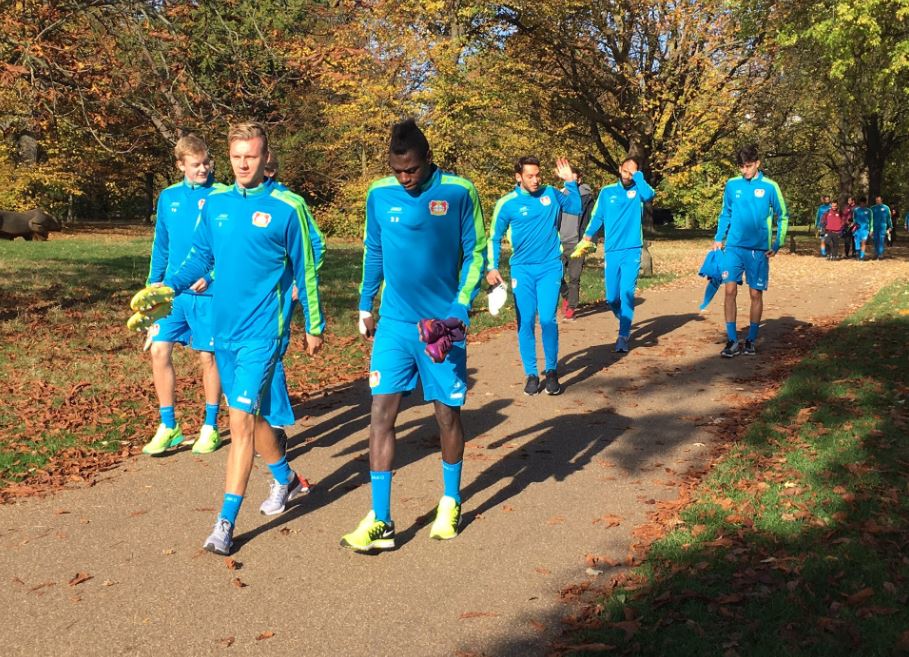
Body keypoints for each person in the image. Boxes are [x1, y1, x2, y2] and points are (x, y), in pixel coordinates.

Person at [149, 122, 325, 555]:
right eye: (236, 156)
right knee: (253, 413)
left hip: (264, 332)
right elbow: (198, 258)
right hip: (222, 329)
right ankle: (286, 479)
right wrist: (166, 287)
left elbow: (307, 267)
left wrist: (314, 324)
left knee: (240, 421)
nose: (243, 163)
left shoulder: (288, 207)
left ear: (266, 158)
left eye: (251, 155)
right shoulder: (217, 204)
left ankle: (224, 525)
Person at [341, 118, 487, 552]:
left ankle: (450, 500)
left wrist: (461, 305)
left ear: (427, 160)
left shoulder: (459, 192)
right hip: (394, 324)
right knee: (381, 414)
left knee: (445, 416)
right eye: (397, 169)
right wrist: (366, 303)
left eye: (412, 170)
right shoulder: (379, 193)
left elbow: (476, 251)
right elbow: (375, 249)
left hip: (441, 327)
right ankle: (382, 520)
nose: (404, 178)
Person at [142, 134, 223, 456]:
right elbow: (161, 245)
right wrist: (153, 287)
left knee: (208, 356)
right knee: (159, 350)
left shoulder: (224, 195)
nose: (202, 169)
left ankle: (210, 425)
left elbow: (230, 247)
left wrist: (211, 275)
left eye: (206, 163)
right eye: (195, 164)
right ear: (180, 165)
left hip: (208, 293)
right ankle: (169, 426)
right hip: (172, 294)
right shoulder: (168, 197)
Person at [486, 156, 580, 395]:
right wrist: (492, 266)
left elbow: (576, 207)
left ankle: (551, 371)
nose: (536, 180)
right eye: (530, 176)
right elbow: (494, 237)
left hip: (549, 267)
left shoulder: (551, 194)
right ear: (518, 177)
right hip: (522, 270)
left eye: (538, 174)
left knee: (548, 319)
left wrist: (570, 182)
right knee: (525, 320)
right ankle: (530, 373)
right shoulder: (507, 203)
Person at [571, 157, 655, 352]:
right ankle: (624, 319)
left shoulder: (639, 191)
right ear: (619, 169)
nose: (628, 176)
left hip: (632, 250)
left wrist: (639, 177)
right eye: (626, 171)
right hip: (612, 251)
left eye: (633, 173)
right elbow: (597, 217)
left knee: (626, 292)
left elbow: (649, 195)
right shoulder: (607, 192)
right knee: (612, 298)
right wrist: (587, 238)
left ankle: (623, 335)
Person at [712, 144, 788, 357]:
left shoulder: (771, 186)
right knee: (729, 290)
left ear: (757, 164)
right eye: (741, 167)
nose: (744, 170)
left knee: (755, 294)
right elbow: (725, 213)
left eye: (748, 166)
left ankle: (751, 340)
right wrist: (719, 238)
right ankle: (732, 340)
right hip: (734, 247)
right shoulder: (732, 185)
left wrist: (776, 244)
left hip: (758, 250)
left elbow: (783, 216)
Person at [557, 168, 595, 320]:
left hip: (578, 243)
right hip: (559, 243)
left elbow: (593, 220)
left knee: (574, 277)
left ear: (579, 179)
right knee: (555, 275)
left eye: (573, 178)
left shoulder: (587, 197)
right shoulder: (559, 195)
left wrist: (589, 240)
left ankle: (571, 307)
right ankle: (566, 296)